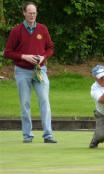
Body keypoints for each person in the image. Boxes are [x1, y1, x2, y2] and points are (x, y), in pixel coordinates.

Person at [4, 2, 57, 143]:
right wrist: (23, 56)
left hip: (40, 70)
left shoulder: (42, 29)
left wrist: (43, 57)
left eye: (34, 13)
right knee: (25, 103)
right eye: (30, 13)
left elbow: (50, 47)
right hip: (22, 71)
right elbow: (8, 52)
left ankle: (48, 135)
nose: (32, 15)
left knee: (44, 101)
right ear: (24, 13)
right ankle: (27, 135)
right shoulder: (16, 31)